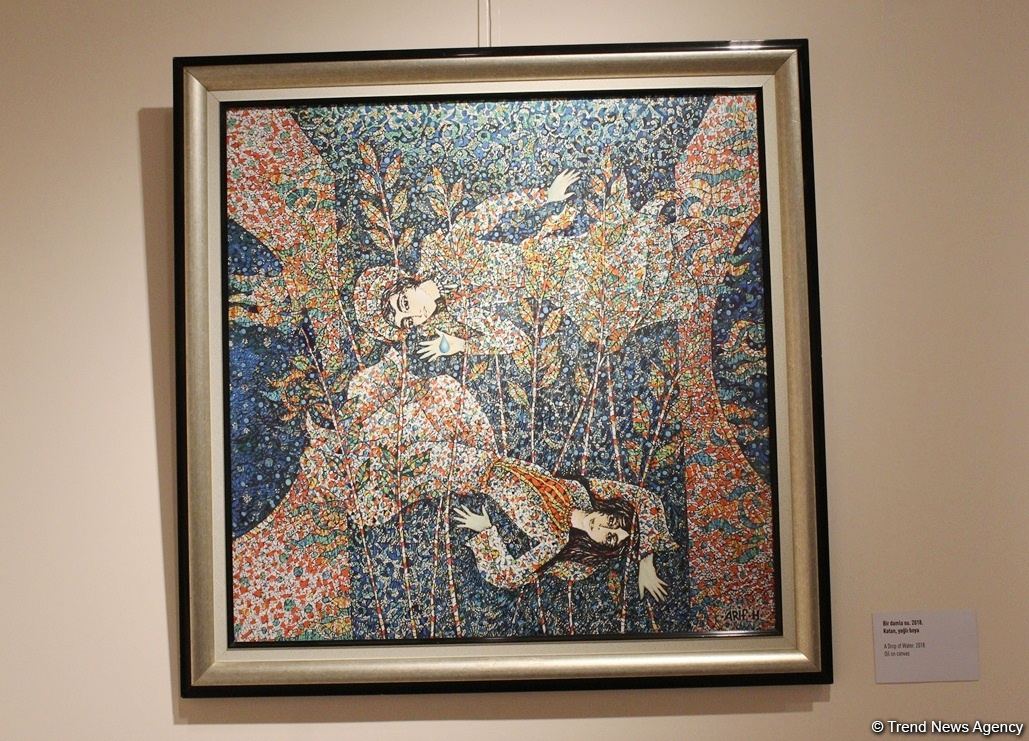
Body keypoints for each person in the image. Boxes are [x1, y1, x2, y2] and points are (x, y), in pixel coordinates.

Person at [351, 170, 579, 359]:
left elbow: (493, 208)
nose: (417, 313)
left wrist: (545, 196)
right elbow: (515, 339)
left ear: (406, 283)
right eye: (408, 321)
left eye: (405, 303)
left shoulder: (447, 251)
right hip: (561, 290)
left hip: (554, 254)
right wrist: (461, 345)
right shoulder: (461, 310)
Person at [453, 458, 672, 600]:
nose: (602, 527)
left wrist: (486, 533)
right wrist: (646, 561)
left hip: (468, 482)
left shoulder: (554, 540)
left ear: (601, 546)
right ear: (609, 510)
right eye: (612, 521)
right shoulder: (581, 492)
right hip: (483, 457)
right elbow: (646, 499)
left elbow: (507, 577)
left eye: (609, 537)